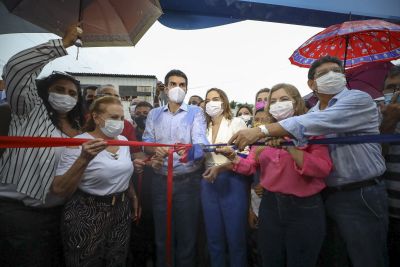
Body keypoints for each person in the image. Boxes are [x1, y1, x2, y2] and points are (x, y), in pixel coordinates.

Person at [229, 56, 388, 267]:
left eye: (336, 70)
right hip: (322, 196)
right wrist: (232, 158)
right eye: (323, 74)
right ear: (311, 84)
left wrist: (264, 132)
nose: (332, 75)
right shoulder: (309, 115)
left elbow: (317, 134)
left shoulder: (357, 99)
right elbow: (251, 163)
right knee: (332, 258)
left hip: (359, 193)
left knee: (367, 257)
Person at [0, 24, 86, 267]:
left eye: (72, 93)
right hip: (20, 216)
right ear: (43, 92)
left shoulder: (77, 130)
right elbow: (15, 68)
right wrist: (62, 45)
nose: (66, 95)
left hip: (60, 216)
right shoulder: (28, 111)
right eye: (59, 90)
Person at [220, 83, 332, 267]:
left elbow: (322, 168)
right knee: (271, 260)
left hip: (304, 209)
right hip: (270, 207)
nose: (278, 104)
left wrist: (291, 149)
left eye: (284, 99)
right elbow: (250, 166)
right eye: (273, 101)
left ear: (296, 104)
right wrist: (232, 157)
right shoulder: (263, 134)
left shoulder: (311, 131)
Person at [53, 96, 139, 266]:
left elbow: (120, 173)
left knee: (116, 260)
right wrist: (84, 159)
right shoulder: (79, 143)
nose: (119, 123)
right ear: (96, 117)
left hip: (121, 211)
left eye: (122, 118)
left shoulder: (123, 141)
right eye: (113, 117)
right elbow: (59, 188)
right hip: (87, 212)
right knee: (85, 261)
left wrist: (133, 196)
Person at [142, 69, 208, 267]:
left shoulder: (196, 113)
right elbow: (146, 143)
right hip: (160, 181)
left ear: (186, 89)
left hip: (187, 182)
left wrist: (188, 152)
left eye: (182, 85)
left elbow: (200, 143)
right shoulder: (154, 114)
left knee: (187, 236)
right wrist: (155, 150)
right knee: (162, 235)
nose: (177, 88)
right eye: (173, 84)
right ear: (166, 87)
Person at [201, 88, 248, 267]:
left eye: (216, 98)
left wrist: (223, 167)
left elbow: (247, 155)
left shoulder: (235, 122)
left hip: (232, 181)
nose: (211, 102)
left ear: (224, 101)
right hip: (208, 183)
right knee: (213, 238)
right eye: (208, 100)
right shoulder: (202, 127)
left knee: (236, 239)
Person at [380, 65, 400, 267]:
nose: (396, 94)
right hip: (389, 213)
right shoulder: (376, 119)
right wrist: (389, 122)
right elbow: (376, 158)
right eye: (391, 88)